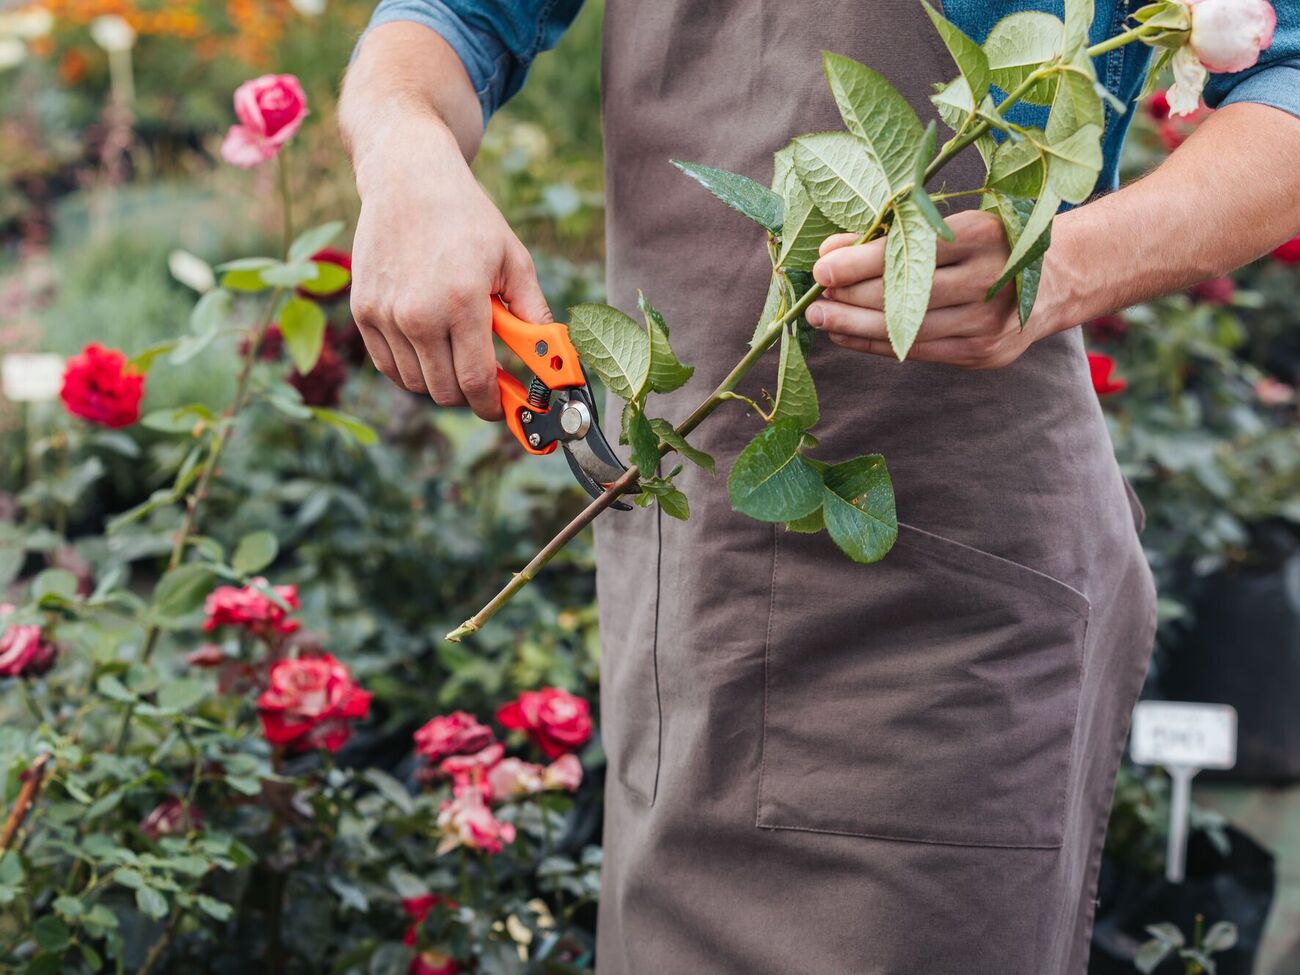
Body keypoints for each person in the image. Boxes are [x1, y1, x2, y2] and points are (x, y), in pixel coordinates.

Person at [339, 2, 1300, 972]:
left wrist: (1062, 268)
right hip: (692, 582)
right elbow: (457, 20)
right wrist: (404, 148)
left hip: (940, 619)